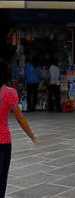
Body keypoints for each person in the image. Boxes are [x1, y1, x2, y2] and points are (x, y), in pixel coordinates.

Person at [0, 59, 38, 197]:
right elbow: (20, 118)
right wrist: (32, 136)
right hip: (3, 142)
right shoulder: (9, 92)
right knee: (1, 179)